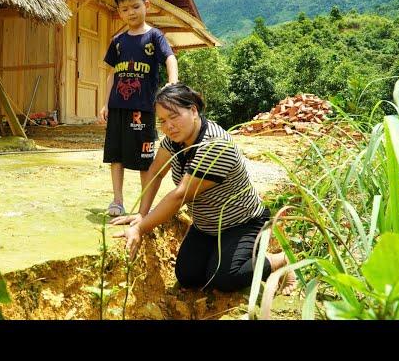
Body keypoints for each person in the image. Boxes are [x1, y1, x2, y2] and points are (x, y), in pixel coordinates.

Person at [110, 83, 296, 294]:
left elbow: (181, 195)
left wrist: (140, 228)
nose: (168, 126)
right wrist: (141, 215)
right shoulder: (175, 140)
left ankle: (280, 260)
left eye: (174, 116)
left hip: (242, 222)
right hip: (206, 225)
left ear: (193, 110)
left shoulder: (215, 146)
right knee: (188, 276)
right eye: (162, 120)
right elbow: (155, 172)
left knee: (226, 278)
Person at [98, 0, 178, 216]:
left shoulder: (155, 37)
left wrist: (172, 83)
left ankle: (146, 205)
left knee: (145, 158)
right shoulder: (118, 42)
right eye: (124, 9)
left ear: (146, 5)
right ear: (119, 12)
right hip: (118, 107)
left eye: (135, 6)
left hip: (143, 108)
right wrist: (105, 103)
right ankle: (117, 200)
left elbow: (170, 59)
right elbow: (112, 74)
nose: (130, 12)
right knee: (116, 155)